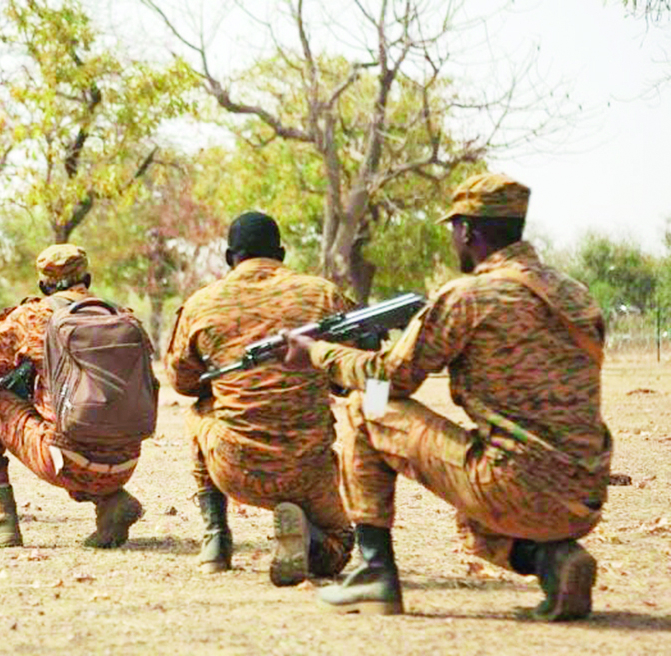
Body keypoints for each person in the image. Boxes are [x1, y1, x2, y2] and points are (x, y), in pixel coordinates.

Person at [284, 173, 611, 620]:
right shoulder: (576, 295)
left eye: (454, 229)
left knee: (369, 402)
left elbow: (390, 377)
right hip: (586, 493)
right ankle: (553, 561)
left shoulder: (468, 297)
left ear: (468, 231)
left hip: (513, 485)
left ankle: (374, 570)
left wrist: (318, 353)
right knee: (473, 524)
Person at [163, 211, 356, 586]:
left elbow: (183, 383)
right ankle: (312, 539)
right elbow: (346, 376)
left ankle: (216, 539)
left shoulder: (202, 304)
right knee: (341, 541)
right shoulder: (323, 295)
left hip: (237, 467)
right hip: (309, 469)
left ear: (229, 256)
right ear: (281, 253)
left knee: (200, 409)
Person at [0, 244, 154, 549]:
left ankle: (0, 522)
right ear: (87, 279)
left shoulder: (32, 317)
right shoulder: (122, 316)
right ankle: (111, 501)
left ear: (42, 285)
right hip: (126, 462)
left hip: (67, 462)